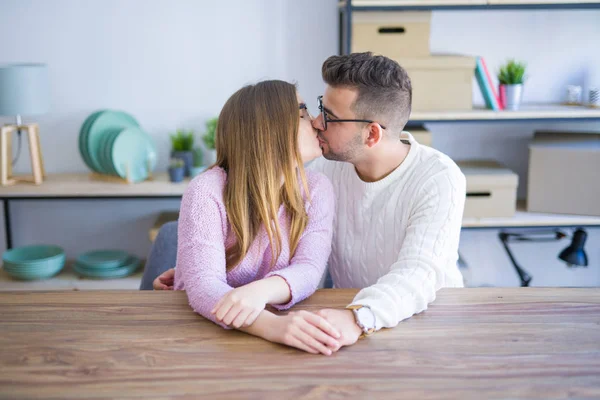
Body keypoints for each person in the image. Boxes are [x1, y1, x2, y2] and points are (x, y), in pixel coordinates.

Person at [148, 52, 467, 351]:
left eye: (329, 116)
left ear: (371, 135)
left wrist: (358, 317)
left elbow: (417, 275)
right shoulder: (325, 169)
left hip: (424, 323)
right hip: (338, 322)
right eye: (314, 109)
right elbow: (258, 206)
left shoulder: (438, 178)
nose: (316, 121)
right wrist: (203, 266)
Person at [168, 79, 343, 356]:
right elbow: (203, 288)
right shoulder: (206, 190)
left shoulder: (318, 188)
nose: (317, 122)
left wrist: (260, 292)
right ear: (268, 130)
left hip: (256, 324)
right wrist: (274, 327)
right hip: (202, 333)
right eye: (302, 113)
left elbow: (309, 270)